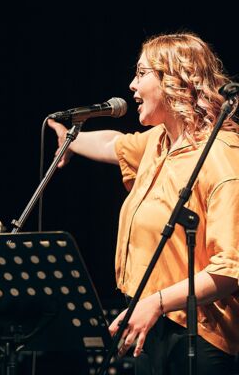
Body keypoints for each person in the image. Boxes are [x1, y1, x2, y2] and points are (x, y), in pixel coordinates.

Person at [48, 33, 239, 374]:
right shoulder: (160, 142)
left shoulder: (222, 157)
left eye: (141, 73)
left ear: (174, 79)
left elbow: (231, 270)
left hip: (197, 338)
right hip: (150, 324)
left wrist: (157, 303)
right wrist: (71, 140)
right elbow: (115, 145)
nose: (132, 85)